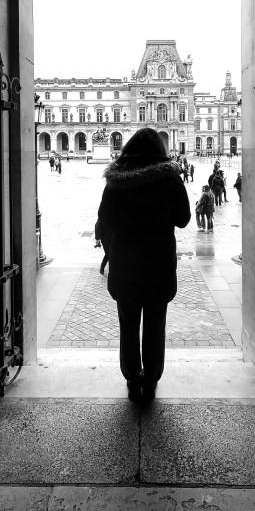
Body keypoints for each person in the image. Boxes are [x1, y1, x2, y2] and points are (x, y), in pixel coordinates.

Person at [97, 128, 190, 402]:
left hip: (125, 266)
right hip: (159, 266)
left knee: (128, 326)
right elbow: (183, 219)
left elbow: (105, 218)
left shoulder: (117, 180)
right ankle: (150, 380)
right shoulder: (170, 179)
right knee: (155, 326)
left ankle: (131, 378)